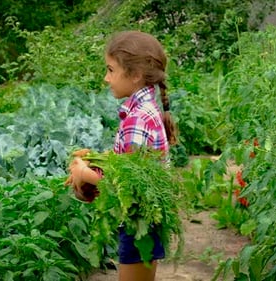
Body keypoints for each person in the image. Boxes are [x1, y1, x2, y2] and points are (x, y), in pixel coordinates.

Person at [66, 30, 177, 281]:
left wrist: (85, 174)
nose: (106, 78)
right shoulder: (144, 110)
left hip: (141, 222)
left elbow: (131, 186)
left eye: (111, 70)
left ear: (135, 75)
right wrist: (95, 159)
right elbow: (129, 163)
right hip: (144, 220)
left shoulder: (137, 118)